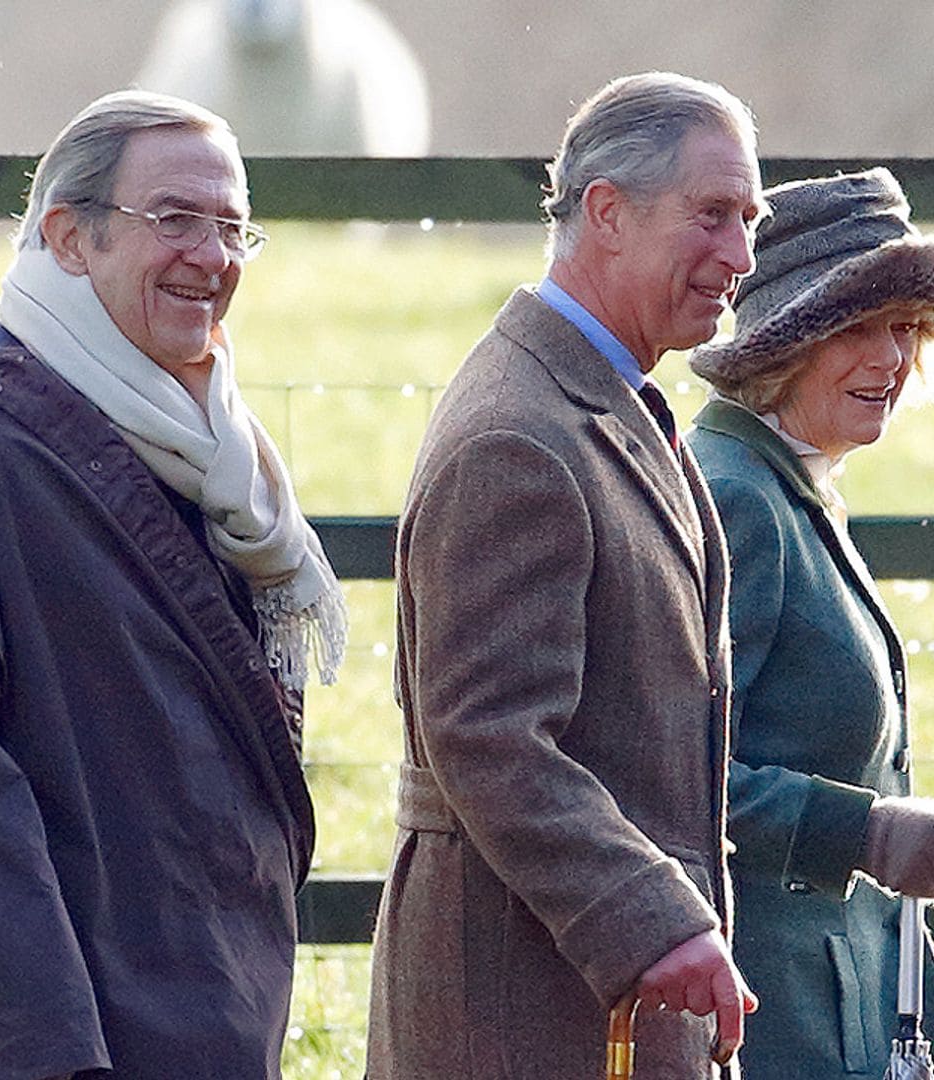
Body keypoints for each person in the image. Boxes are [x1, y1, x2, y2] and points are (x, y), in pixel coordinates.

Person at [0, 89, 346, 1079]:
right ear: (69, 239)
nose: (212, 258)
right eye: (174, 219)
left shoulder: (214, 466)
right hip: (73, 1038)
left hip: (197, 1012)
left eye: (233, 226)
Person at [366, 71, 764, 1079]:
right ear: (607, 213)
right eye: (712, 215)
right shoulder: (519, 435)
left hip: (581, 1007)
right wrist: (651, 923)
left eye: (749, 220)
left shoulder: (593, 397)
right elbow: (488, 736)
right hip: (520, 1014)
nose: (741, 255)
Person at [687, 168, 934, 1079]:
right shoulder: (735, 497)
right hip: (769, 1013)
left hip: (844, 1006)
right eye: (857, 328)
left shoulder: (797, 483)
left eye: (905, 328)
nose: (891, 361)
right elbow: (678, 777)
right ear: (783, 344)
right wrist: (872, 833)